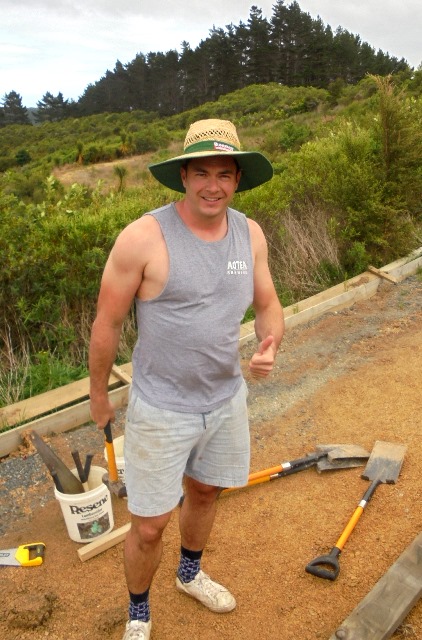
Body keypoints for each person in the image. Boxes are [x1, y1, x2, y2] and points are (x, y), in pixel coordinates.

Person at [89, 119, 285, 640]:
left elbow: (268, 303)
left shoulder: (250, 234)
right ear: (183, 176)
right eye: (201, 173)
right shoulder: (143, 238)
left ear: (238, 179)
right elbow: (107, 323)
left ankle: (190, 573)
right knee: (149, 525)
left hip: (226, 400)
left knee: (204, 492)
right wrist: (98, 394)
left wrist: (269, 343)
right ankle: (138, 612)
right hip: (161, 408)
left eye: (224, 173)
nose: (212, 186)